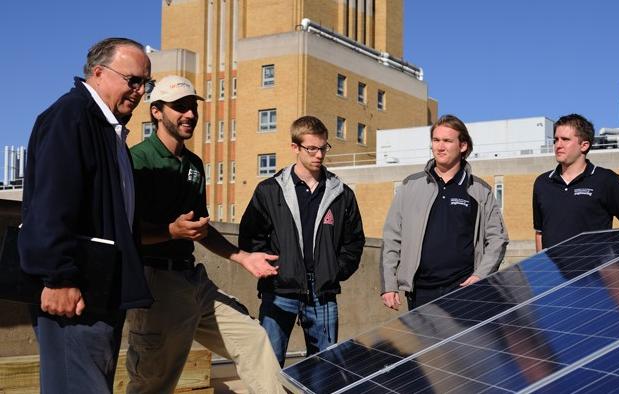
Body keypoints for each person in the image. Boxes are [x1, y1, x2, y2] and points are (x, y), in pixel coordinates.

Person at [127, 75, 285, 393]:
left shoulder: (194, 165)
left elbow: (200, 228)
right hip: (156, 285)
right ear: (156, 111)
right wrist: (170, 231)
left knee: (253, 340)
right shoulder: (138, 161)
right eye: (179, 107)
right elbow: (125, 231)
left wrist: (243, 257)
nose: (189, 114)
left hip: (195, 283)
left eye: (193, 107)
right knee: (155, 381)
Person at [18, 37, 154, 393]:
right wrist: (59, 277)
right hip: (73, 295)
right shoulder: (71, 116)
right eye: (133, 80)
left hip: (99, 293)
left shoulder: (107, 130)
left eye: (145, 83)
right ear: (98, 72)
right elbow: (49, 203)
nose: (140, 91)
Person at [239, 115, 365, 366]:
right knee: (269, 364)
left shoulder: (341, 194)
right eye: (312, 148)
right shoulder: (270, 190)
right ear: (295, 147)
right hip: (279, 290)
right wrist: (273, 270)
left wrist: (335, 271)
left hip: (323, 293)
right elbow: (251, 236)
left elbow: (354, 241)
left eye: (323, 148)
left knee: (325, 366)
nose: (319, 155)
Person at [380, 114, 509, 311]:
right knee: (426, 343)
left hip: (464, 291)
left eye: (447, 141)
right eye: (436, 140)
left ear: (463, 146)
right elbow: (392, 237)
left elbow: (497, 239)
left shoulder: (480, 191)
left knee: (464, 344)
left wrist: (480, 276)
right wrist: (389, 285)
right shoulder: (410, 186)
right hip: (420, 293)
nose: (440, 147)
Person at [532, 113, 619, 251]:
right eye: (556, 139)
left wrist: (614, 261)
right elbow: (540, 232)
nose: (558, 145)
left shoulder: (606, 180)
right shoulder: (542, 183)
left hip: (594, 271)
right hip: (554, 271)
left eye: (565, 139)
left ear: (584, 145)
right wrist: (542, 268)